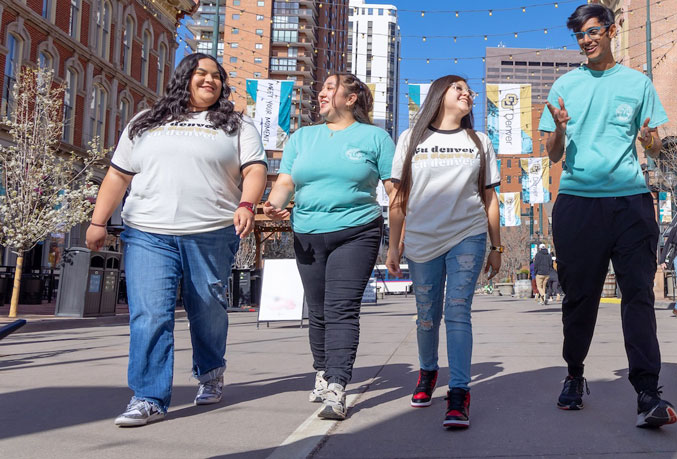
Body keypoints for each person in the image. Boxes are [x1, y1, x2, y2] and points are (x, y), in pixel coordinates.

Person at [86, 53, 267, 427]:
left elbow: (255, 170)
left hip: (211, 231)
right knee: (150, 314)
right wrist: (97, 221)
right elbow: (118, 176)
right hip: (148, 232)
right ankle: (148, 397)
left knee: (208, 310)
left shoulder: (237, 125)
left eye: (216, 76)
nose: (209, 80)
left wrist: (248, 204)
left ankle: (211, 371)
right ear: (183, 78)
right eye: (201, 73)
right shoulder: (145, 122)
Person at [540, 3, 677, 429]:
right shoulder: (565, 85)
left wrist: (650, 140)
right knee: (580, 298)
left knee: (639, 295)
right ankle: (575, 375)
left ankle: (648, 391)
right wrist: (560, 127)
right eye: (580, 35)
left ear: (612, 31)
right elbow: (553, 153)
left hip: (631, 202)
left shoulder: (638, 83)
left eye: (594, 31)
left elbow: (655, 149)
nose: (587, 40)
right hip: (578, 203)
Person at [263, 73, 395, 421]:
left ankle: (337, 385)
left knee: (341, 309)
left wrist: (397, 242)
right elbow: (286, 181)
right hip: (307, 231)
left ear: (351, 99)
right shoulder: (302, 138)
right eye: (321, 88)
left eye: (330, 88)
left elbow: (395, 192)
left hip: (357, 231)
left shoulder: (375, 138)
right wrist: (274, 204)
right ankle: (322, 372)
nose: (321, 93)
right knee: (318, 310)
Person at [386, 76, 502, 430]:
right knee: (426, 315)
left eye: (469, 91)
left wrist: (496, 247)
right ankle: (428, 371)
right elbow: (399, 198)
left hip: (467, 233)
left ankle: (459, 393)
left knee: (457, 311)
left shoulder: (479, 141)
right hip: (421, 238)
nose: (467, 94)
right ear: (440, 95)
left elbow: (490, 198)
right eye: (459, 88)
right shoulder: (410, 139)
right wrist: (393, 245)